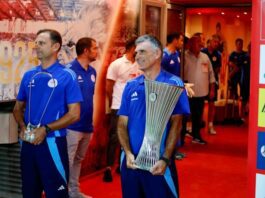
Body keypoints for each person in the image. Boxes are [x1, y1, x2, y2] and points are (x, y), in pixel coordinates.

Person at [13, 29, 83, 198]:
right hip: (28, 145)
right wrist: (22, 127)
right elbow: (17, 108)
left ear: (55, 46)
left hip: (52, 144)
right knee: (29, 192)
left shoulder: (67, 75)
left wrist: (46, 129)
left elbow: (74, 114)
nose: (36, 46)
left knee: (56, 193)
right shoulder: (29, 75)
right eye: (36, 42)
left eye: (41, 43)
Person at [117, 35, 190, 198]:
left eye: (142, 51)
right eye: (136, 53)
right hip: (131, 164)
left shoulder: (173, 83)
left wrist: (165, 159)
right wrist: (127, 152)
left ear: (157, 53)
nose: (137, 56)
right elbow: (122, 124)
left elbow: (176, 124)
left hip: (158, 165)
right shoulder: (131, 85)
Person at [103, 37, 141, 182]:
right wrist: (113, 102)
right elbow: (109, 86)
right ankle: (108, 168)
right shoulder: (116, 64)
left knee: (131, 137)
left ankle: (123, 164)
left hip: (135, 108)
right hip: (119, 106)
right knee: (114, 137)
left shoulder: (140, 64)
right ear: (132, 48)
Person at [66, 37, 98, 198]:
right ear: (85, 51)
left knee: (78, 160)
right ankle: (60, 192)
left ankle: (74, 191)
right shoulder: (69, 70)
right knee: (67, 161)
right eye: (95, 48)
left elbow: (89, 97)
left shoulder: (93, 72)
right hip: (72, 126)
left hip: (87, 124)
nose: (97, 51)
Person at [184, 35, 216, 144]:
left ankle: (196, 136)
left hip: (202, 92)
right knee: (185, 116)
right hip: (188, 93)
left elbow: (211, 74)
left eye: (200, 42)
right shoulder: (184, 56)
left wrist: (212, 89)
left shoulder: (205, 57)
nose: (200, 44)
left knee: (198, 117)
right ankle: (181, 138)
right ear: (191, 44)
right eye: (197, 42)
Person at [201, 35, 222, 134]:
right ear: (210, 41)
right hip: (202, 80)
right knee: (200, 103)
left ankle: (210, 125)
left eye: (218, 42)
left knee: (212, 103)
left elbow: (217, 69)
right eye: (215, 42)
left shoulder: (218, 55)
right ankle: (198, 123)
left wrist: (212, 79)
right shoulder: (203, 52)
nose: (216, 44)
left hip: (213, 81)